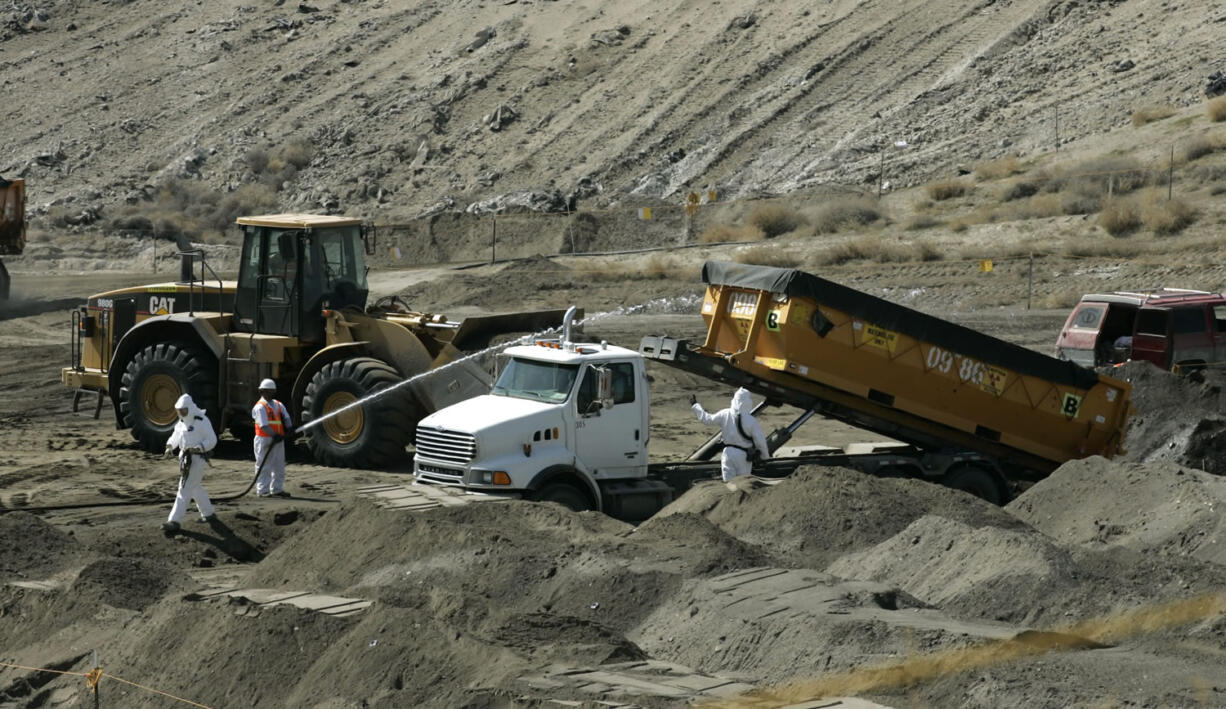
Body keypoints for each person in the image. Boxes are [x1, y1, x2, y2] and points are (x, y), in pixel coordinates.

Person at [162, 394, 218, 537]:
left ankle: (174, 520)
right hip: (185, 460)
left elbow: (212, 439)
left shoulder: (201, 421)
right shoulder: (181, 423)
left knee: (184, 487)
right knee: (194, 486)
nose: (181, 414)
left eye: (184, 411)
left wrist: (199, 447)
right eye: (179, 411)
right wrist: (169, 446)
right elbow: (175, 437)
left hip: (197, 459)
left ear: (190, 409)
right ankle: (209, 513)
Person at [691, 387, 771, 482]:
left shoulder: (725, 413)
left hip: (727, 454)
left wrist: (695, 405)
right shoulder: (751, 421)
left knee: (729, 485)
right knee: (743, 484)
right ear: (748, 401)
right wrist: (765, 457)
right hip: (743, 457)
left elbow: (707, 419)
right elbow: (760, 442)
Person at [252, 378, 293, 498]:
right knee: (264, 465)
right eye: (268, 391)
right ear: (262, 391)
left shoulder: (278, 404)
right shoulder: (260, 407)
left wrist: (289, 428)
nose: (270, 393)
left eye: (272, 391)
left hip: (277, 440)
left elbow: (286, 417)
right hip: (264, 439)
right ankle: (263, 490)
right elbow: (264, 425)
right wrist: (275, 435)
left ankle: (277, 489)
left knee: (279, 465)